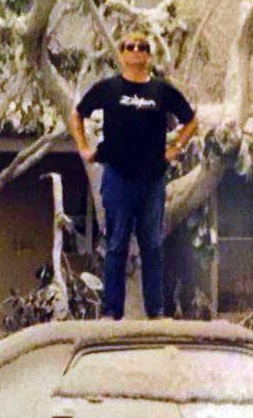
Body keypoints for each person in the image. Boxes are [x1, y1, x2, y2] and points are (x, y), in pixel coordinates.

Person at [70, 31, 199, 320]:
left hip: (152, 180)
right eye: (131, 46)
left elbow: (191, 121)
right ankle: (111, 312)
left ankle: (156, 313)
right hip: (117, 178)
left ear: (149, 55)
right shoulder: (109, 89)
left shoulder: (162, 91)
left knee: (152, 246)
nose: (137, 50)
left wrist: (176, 147)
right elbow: (77, 114)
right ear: (122, 54)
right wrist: (83, 147)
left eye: (143, 47)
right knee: (116, 244)